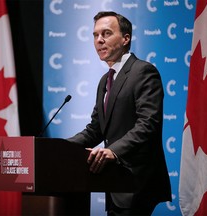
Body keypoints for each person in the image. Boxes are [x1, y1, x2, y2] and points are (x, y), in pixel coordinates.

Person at [68, 11, 171, 216]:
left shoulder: (143, 71)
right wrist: (60, 147)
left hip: (137, 181)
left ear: (126, 38)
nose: (99, 40)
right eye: (95, 35)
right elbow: (96, 129)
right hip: (115, 183)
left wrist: (113, 151)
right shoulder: (105, 81)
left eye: (106, 33)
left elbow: (148, 124)